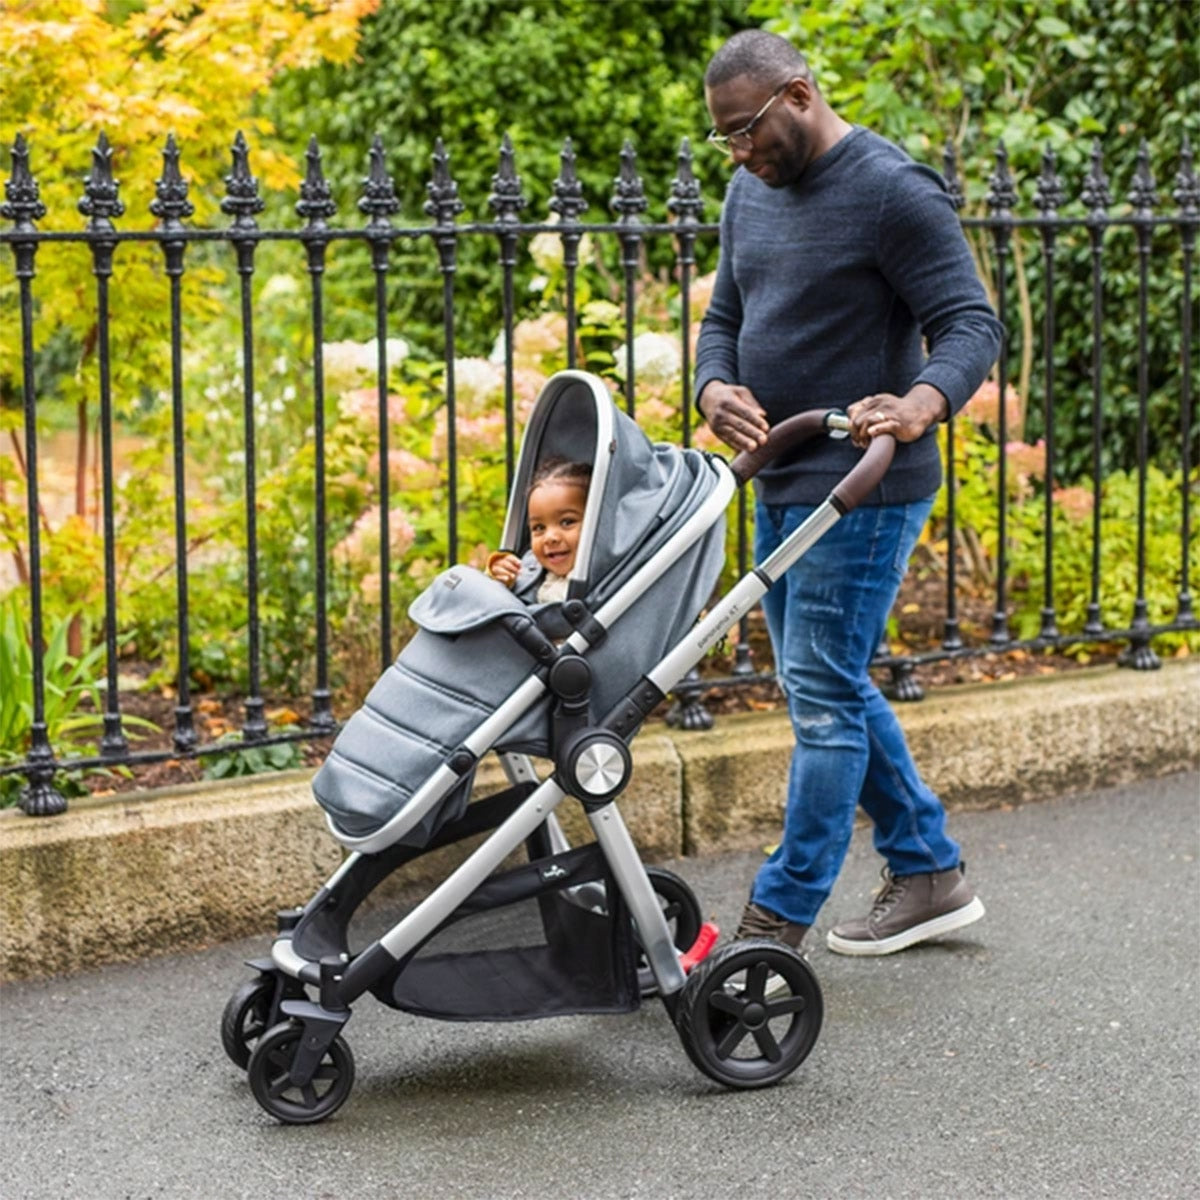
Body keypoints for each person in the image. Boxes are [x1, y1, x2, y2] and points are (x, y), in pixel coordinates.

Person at [695, 30, 1003, 956]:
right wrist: (713, 387)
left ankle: (775, 920)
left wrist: (917, 405)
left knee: (822, 692)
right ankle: (929, 870)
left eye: (747, 129)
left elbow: (971, 324)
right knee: (824, 680)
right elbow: (723, 318)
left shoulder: (891, 191)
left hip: (864, 486)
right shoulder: (749, 192)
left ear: (798, 94)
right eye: (723, 137)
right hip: (781, 470)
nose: (739, 152)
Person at [486, 458, 592, 604]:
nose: (550, 537)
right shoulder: (529, 567)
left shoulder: (607, 579)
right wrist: (500, 576)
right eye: (539, 528)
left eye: (567, 522)